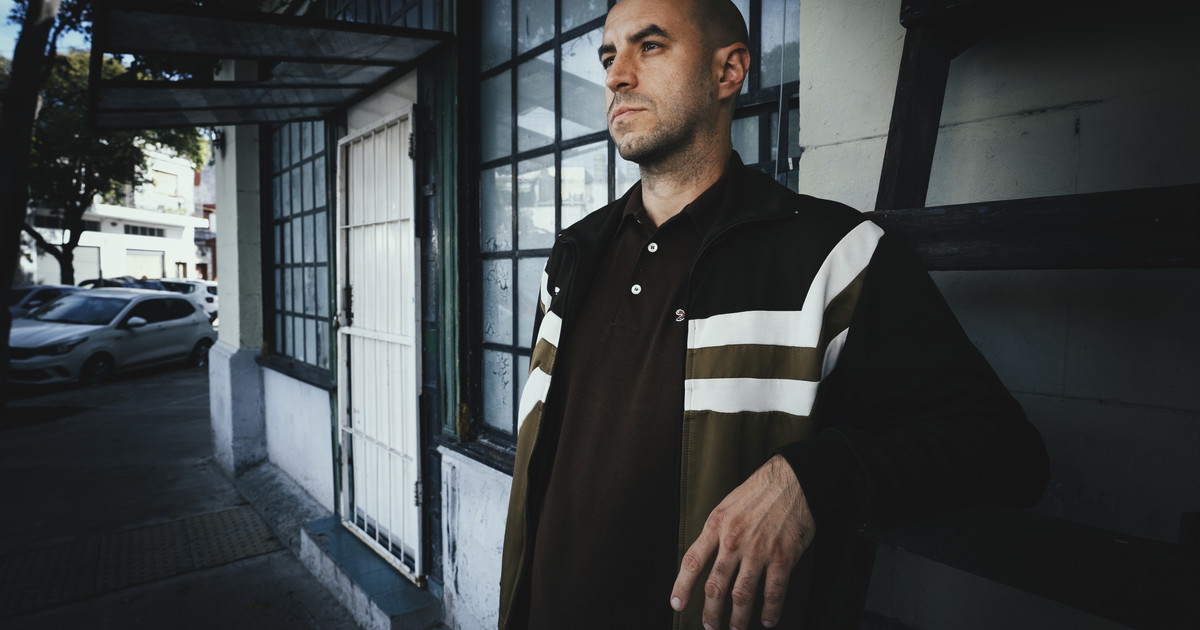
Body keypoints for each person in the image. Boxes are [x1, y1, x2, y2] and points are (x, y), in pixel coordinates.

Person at [498, 0, 1050, 628]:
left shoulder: (834, 258)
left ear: (728, 71)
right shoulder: (571, 256)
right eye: (607, 57)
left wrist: (810, 480)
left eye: (649, 46)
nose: (617, 76)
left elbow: (1007, 451)